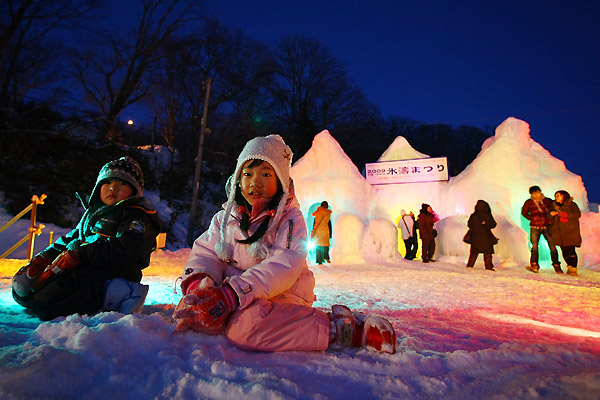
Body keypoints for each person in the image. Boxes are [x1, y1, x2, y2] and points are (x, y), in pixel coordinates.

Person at [173, 135, 396, 353]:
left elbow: (283, 265)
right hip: (238, 293)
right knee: (200, 311)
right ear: (237, 180)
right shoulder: (225, 219)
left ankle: (341, 330)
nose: (255, 182)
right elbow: (206, 252)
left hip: (283, 292)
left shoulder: (289, 220)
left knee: (245, 327)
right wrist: (201, 287)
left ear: (281, 181)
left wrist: (232, 295)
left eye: (266, 174)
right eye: (247, 173)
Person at [12, 156, 161, 320]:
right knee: (26, 293)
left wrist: (82, 252)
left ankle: (123, 295)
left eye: (122, 183)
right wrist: (46, 257)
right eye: (108, 182)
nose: (113, 188)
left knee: (45, 303)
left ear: (135, 191)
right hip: (86, 268)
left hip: (113, 274)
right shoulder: (94, 213)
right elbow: (72, 239)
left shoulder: (137, 215)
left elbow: (126, 248)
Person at [521, 185, 561, 273]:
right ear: (531, 194)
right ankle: (534, 265)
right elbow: (524, 212)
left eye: (537, 192)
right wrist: (531, 218)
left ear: (540, 192)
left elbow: (555, 208)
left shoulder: (547, 201)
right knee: (534, 247)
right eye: (534, 193)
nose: (536, 195)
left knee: (552, 246)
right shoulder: (529, 202)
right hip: (535, 227)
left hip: (547, 226)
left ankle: (557, 265)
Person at [549, 190, 582, 276]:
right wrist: (551, 214)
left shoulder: (572, 205)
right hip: (558, 232)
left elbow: (577, 214)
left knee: (571, 250)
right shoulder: (553, 206)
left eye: (558, 196)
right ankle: (569, 266)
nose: (556, 197)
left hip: (570, 231)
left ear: (564, 196)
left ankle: (573, 268)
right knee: (564, 250)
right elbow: (547, 216)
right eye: (555, 196)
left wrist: (565, 215)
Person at [465, 200, 498, 271]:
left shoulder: (473, 215)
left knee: (474, 253)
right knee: (487, 253)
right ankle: (489, 267)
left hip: (475, 237)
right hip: (486, 237)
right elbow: (493, 225)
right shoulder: (488, 216)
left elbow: (469, 225)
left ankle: (470, 265)